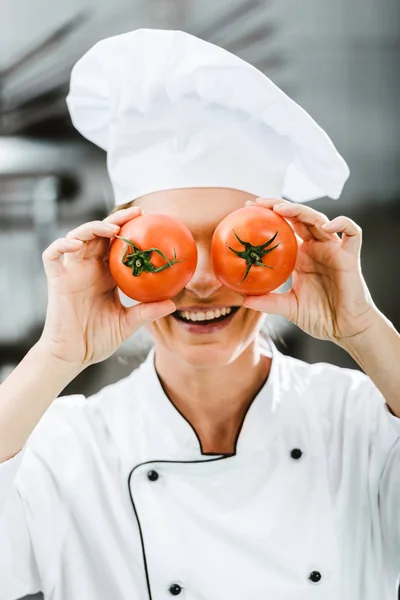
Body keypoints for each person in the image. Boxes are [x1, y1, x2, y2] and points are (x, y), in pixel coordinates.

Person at [0, 29, 399, 600]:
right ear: (115, 258)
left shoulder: (358, 420)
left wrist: (364, 329)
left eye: (242, 244)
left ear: (286, 251)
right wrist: (56, 353)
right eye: (166, 250)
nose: (206, 280)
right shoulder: (69, 445)